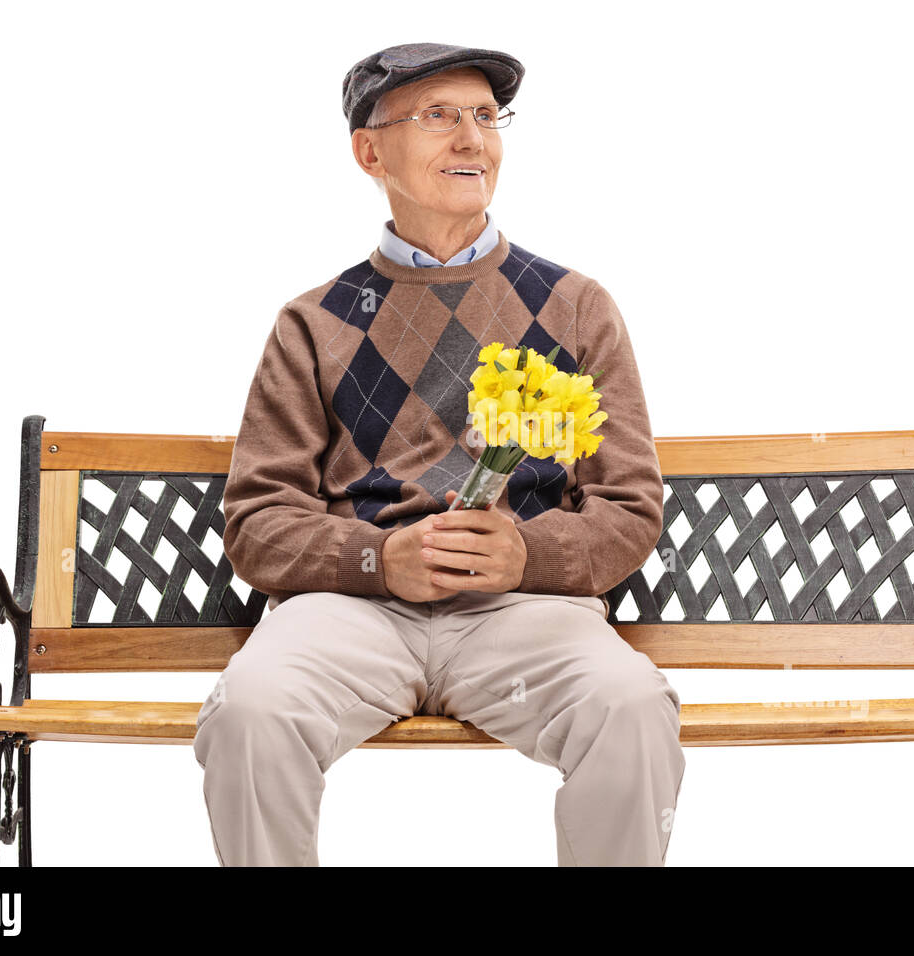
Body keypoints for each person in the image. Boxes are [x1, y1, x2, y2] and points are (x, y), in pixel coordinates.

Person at [192, 42, 684, 866]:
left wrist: (525, 553)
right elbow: (256, 522)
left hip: (523, 617)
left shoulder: (574, 308)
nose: (472, 138)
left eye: (486, 117)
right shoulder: (313, 323)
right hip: (353, 618)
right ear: (369, 151)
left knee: (630, 704)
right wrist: (380, 558)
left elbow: (630, 509)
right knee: (252, 710)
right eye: (439, 116)